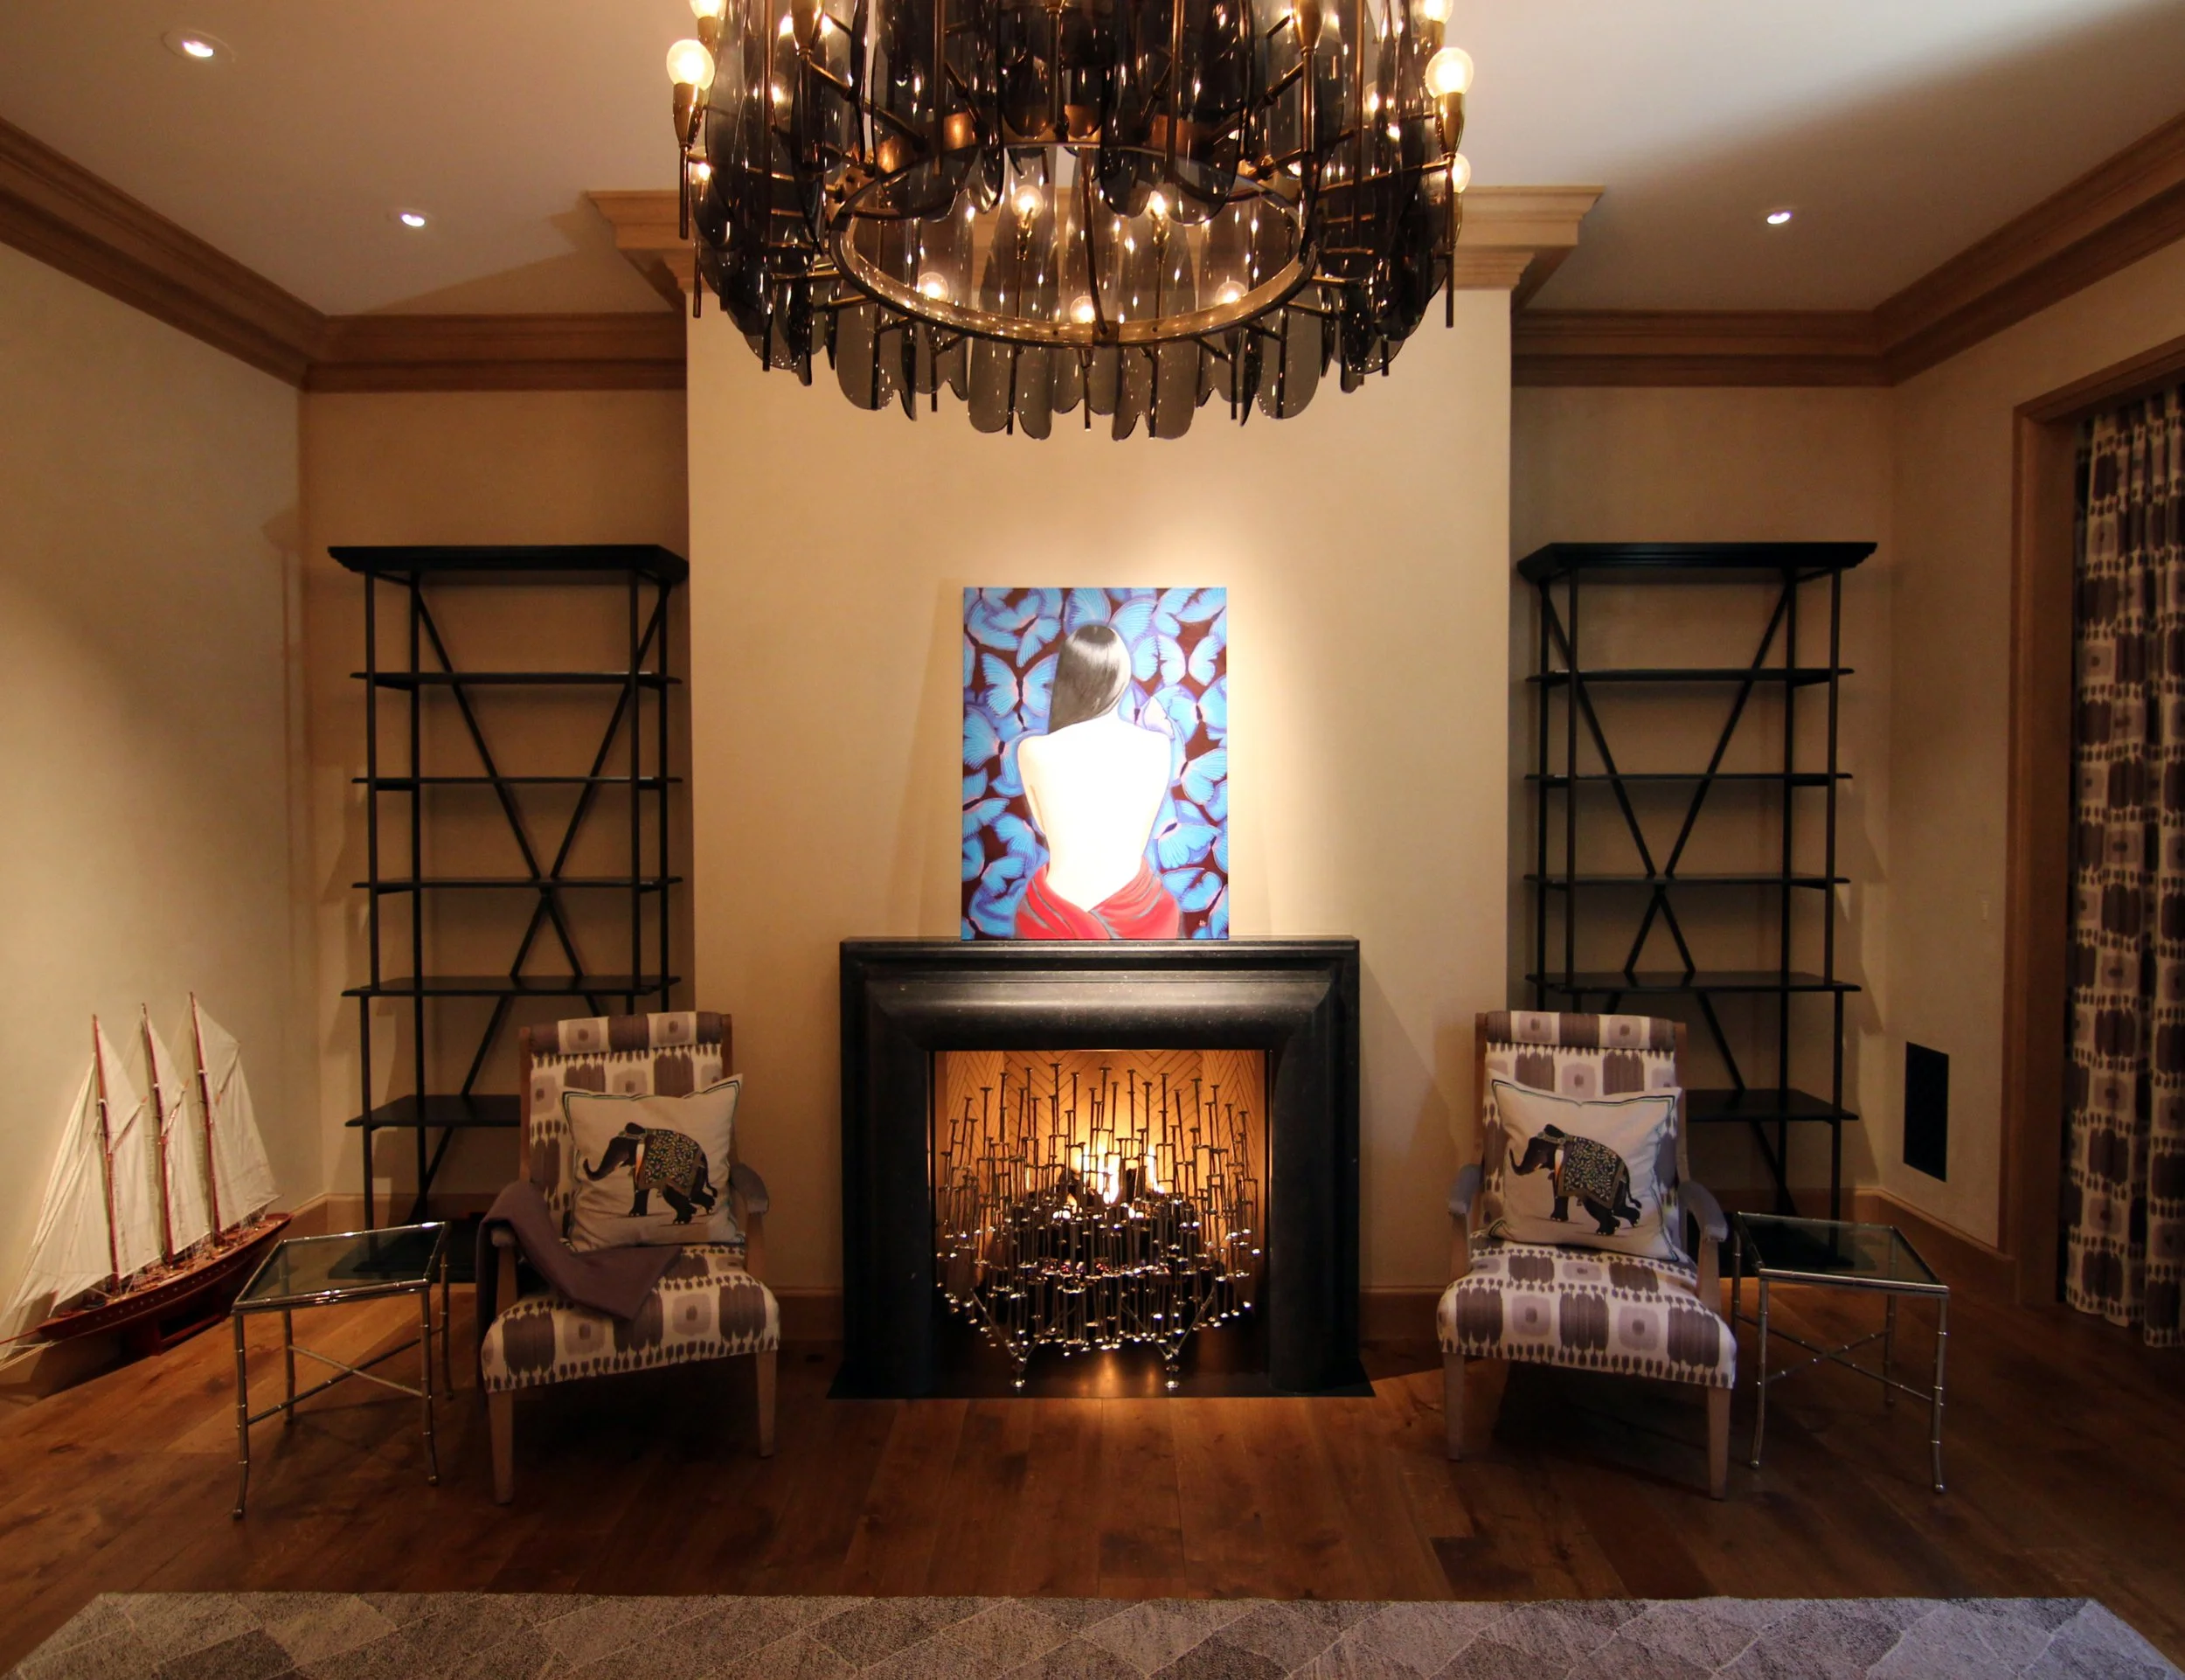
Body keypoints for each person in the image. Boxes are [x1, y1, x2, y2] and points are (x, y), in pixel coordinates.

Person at [1013, 624, 1181, 939]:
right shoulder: (1157, 747)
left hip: (1050, 916)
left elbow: (1045, 825)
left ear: (1066, 679)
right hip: (1144, 915)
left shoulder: (1033, 751)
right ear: (1122, 677)